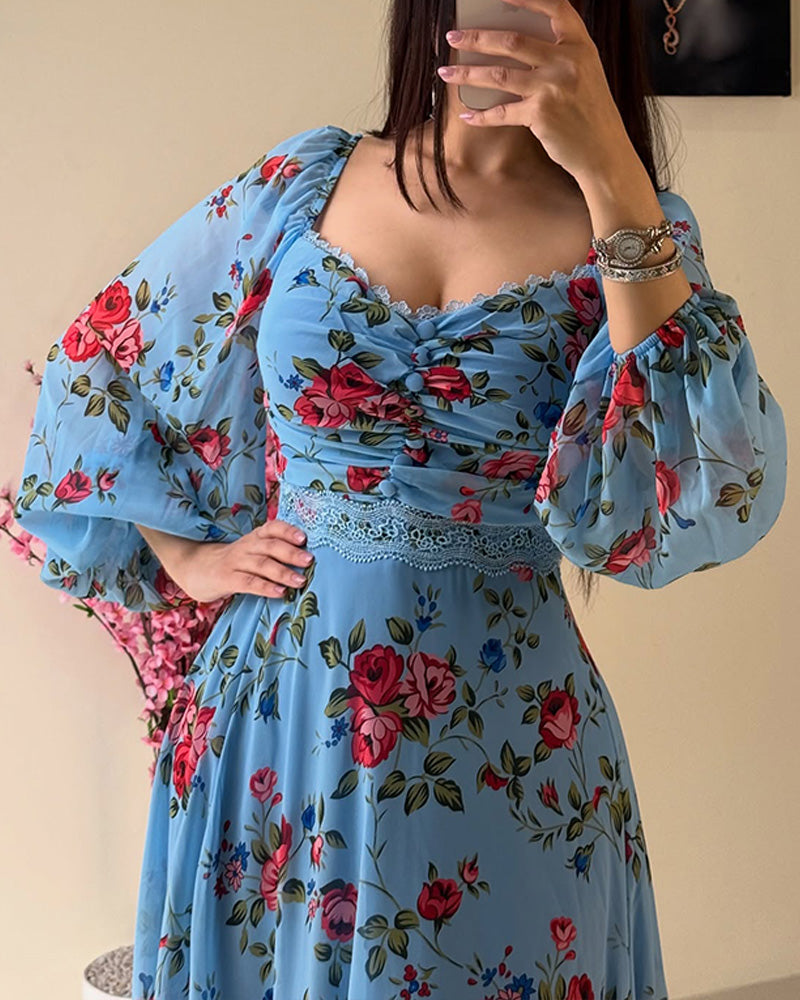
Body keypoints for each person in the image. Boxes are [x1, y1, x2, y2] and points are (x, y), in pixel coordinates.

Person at [13, 1, 787, 998]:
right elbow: (100, 364)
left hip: (510, 745)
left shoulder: (634, 231)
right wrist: (188, 557)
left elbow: (700, 492)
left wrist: (609, 172)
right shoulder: (306, 182)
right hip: (277, 720)